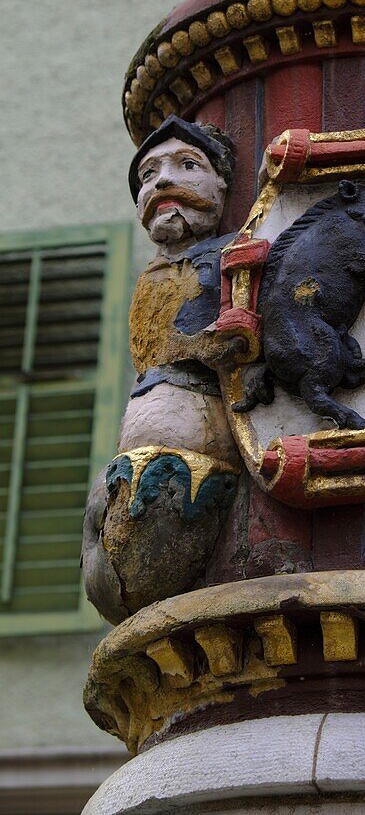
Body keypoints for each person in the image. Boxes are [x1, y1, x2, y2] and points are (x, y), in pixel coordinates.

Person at [82, 117, 245, 624]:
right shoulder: (151, 273)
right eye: (148, 175)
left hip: (201, 446)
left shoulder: (232, 256)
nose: (162, 183)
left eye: (186, 165)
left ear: (223, 184)